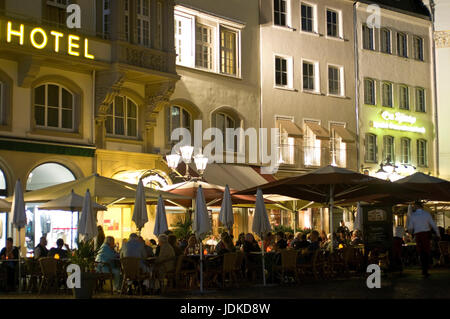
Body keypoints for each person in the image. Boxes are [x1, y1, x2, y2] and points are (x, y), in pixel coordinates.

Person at [407, 201, 440, 277]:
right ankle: (426, 269)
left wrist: (410, 231)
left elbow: (410, 228)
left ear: (416, 206)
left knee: (421, 252)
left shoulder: (413, 215)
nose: (413, 207)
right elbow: (433, 225)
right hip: (426, 234)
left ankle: (424, 269)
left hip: (418, 235)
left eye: (414, 206)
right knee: (426, 252)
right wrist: (438, 234)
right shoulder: (427, 214)